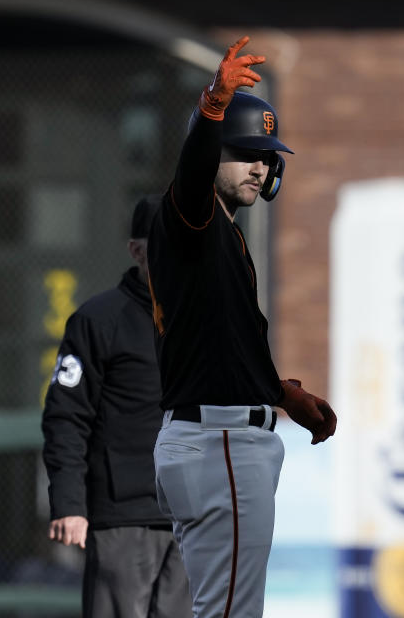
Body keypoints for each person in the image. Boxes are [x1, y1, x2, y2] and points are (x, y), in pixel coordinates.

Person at [147, 35, 337, 618]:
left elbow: (217, 344)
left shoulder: (221, 234)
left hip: (214, 436)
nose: (260, 165)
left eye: (266, 156)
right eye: (245, 151)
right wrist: (211, 108)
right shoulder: (193, 214)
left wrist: (277, 392)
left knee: (218, 606)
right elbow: (195, 167)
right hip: (219, 443)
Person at [41, 195, 192, 618]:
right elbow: (66, 418)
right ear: (136, 250)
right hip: (123, 517)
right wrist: (70, 504)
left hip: (194, 514)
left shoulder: (206, 322)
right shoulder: (98, 320)